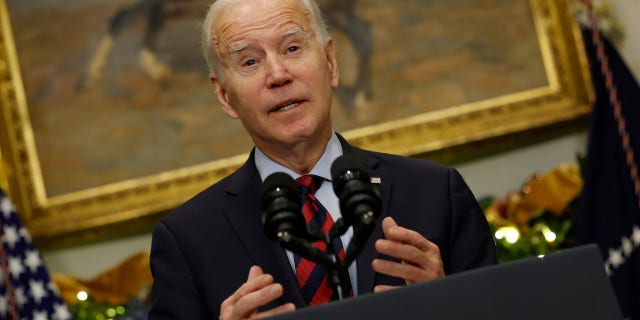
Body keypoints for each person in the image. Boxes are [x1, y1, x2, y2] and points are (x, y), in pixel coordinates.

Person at [148, 0, 497, 319]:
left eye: (293, 48)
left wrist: (451, 301)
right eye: (250, 61)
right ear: (225, 96)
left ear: (330, 62)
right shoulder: (186, 241)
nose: (278, 74)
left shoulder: (435, 192)